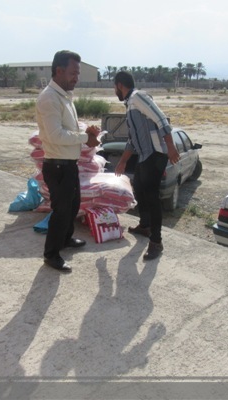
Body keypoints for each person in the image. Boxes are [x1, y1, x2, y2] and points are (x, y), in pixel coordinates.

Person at [36, 50, 100, 273]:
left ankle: (65, 240)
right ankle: (51, 254)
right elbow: (54, 135)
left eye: (78, 73)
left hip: (68, 164)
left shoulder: (64, 97)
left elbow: (69, 128)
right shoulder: (48, 98)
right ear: (59, 70)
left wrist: (87, 131)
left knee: (72, 207)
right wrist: (86, 138)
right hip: (57, 166)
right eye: (73, 73)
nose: (76, 78)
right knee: (61, 211)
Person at [113, 71, 180, 260]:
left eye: (114, 87)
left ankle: (156, 242)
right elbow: (132, 139)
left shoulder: (138, 96)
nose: (114, 91)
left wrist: (171, 146)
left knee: (151, 196)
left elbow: (161, 119)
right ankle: (145, 225)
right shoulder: (130, 105)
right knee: (140, 189)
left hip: (156, 154)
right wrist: (123, 161)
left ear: (119, 85)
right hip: (144, 156)